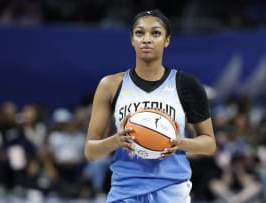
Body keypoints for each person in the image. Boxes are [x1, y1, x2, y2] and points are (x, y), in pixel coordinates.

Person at [84, 9, 216, 203]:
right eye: (139, 33)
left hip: (172, 191)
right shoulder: (110, 85)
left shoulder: (186, 84)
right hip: (125, 191)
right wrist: (115, 141)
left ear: (167, 40)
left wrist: (180, 143)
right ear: (131, 40)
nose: (146, 39)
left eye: (155, 33)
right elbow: (90, 152)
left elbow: (209, 144)